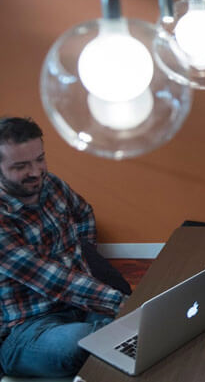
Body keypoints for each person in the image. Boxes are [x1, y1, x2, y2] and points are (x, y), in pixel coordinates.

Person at [0, 117, 128, 378]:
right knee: (85, 343)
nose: (36, 172)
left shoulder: (51, 185)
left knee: (119, 334)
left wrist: (83, 254)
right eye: (21, 166)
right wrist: (121, 303)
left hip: (79, 307)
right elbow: (51, 279)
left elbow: (83, 213)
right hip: (27, 329)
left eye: (40, 159)